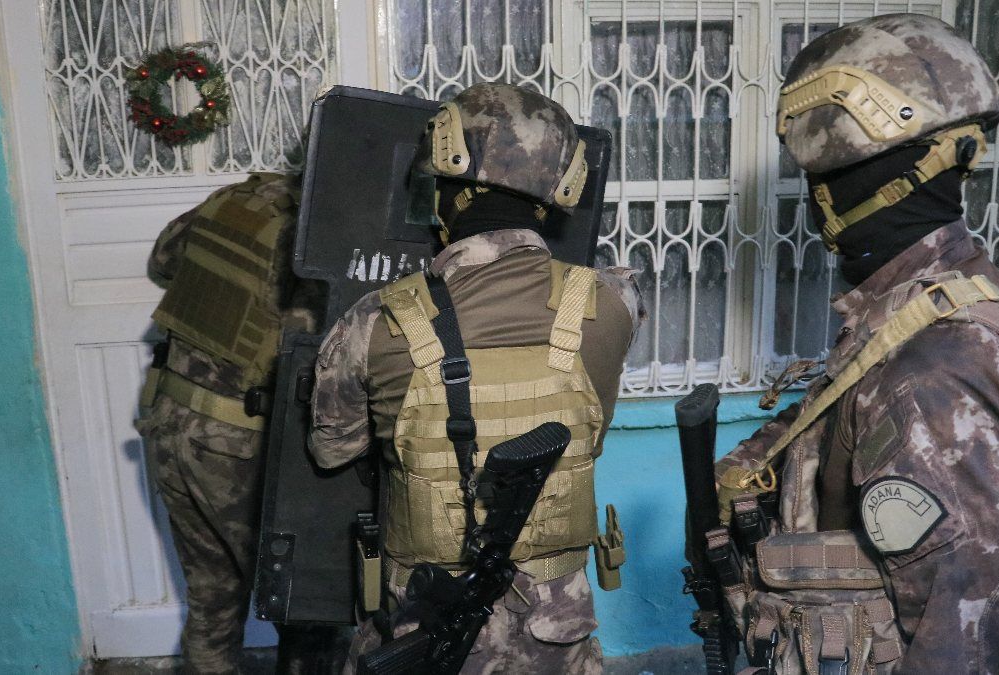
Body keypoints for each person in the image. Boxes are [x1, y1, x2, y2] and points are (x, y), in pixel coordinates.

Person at [712, 14, 999, 673]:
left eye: (821, 177)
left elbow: (957, 646)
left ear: (842, 187)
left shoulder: (932, 372)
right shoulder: (949, 296)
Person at [307, 83, 643, 674]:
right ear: (560, 190)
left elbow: (331, 449)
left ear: (445, 190)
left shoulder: (374, 322)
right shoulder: (616, 301)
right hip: (555, 632)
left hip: (424, 627)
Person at [137, 173, 328, 674]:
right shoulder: (321, 227)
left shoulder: (239, 199)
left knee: (212, 599)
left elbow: (163, 260)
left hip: (170, 421)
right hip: (237, 444)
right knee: (308, 609)